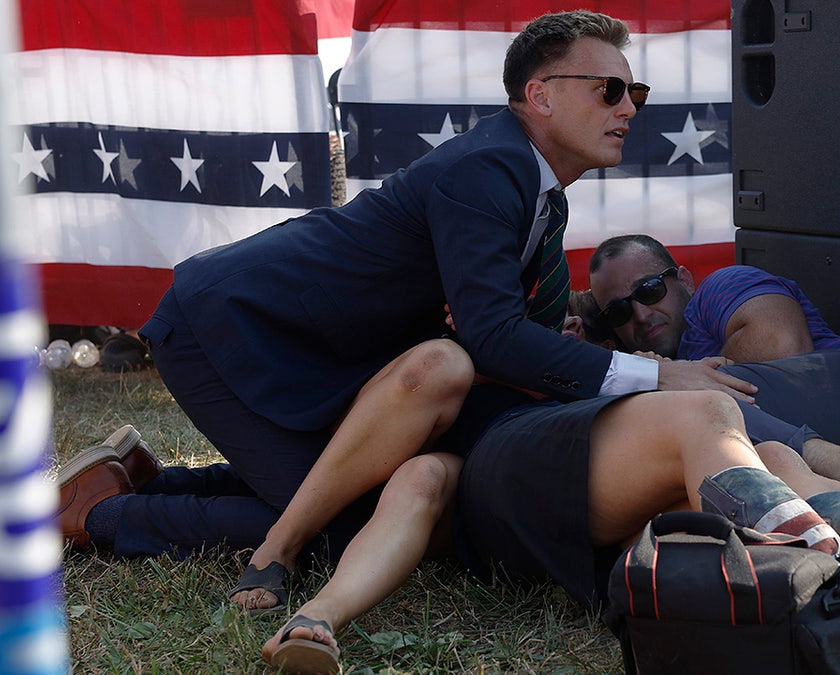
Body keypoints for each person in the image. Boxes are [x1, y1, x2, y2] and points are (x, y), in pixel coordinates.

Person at [55, 10, 759, 579]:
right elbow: (496, 339)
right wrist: (660, 373)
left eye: (633, 93)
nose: (628, 108)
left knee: (350, 492)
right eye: (609, 90)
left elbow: (518, 348)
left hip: (308, 349)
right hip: (230, 329)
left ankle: (147, 479)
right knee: (341, 525)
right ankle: (98, 517)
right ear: (539, 96)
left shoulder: (539, 193)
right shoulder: (490, 167)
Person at [257, 379, 840, 673]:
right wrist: (304, 597)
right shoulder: (433, 446)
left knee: (761, 450)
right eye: (613, 92)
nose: (629, 108)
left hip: (600, 498)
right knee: (703, 413)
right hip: (504, 477)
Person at [587, 234, 840, 510]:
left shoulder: (720, 286)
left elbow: (779, 342)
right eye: (618, 312)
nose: (640, 314)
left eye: (649, 290)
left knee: (680, 408)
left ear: (684, 279)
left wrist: (680, 377)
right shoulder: (655, 364)